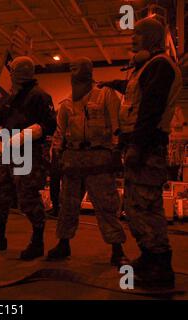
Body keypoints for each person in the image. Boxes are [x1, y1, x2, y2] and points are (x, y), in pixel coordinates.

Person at [99, 17, 182, 288]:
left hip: (147, 148)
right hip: (142, 146)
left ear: (152, 38)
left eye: (138, 34)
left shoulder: (160, 66)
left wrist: (137, 146)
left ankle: (160, 266)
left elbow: (150, 110)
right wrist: (114, 83)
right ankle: (149, 257)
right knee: (138, 206)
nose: (132, 39)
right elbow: (136, 96)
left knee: (144, 207)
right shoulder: (147, 67)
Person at [46, 57, 129, 266]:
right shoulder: (66, 103)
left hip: (99, 157)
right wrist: (56, 156)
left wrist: (117, 152)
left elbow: (117, 125)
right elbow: (59, 133)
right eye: (72, 66)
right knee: (68, 205)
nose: (74, 68)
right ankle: (63, 243)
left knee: (106, 205)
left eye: (79, 65)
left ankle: (117, 248)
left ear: (90, 70)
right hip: (73, 159)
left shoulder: (106, 95)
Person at [0, 56, 57, 260]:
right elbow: (0, 114)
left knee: (28, 198)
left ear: (20, 73)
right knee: (0, 195)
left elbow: (49, 125)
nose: (10, 74)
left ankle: (37, 242)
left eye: (13, 70)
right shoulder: (14, 96)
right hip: (8, 152)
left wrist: (26, 134)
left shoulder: (39, 96)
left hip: (28, 154)